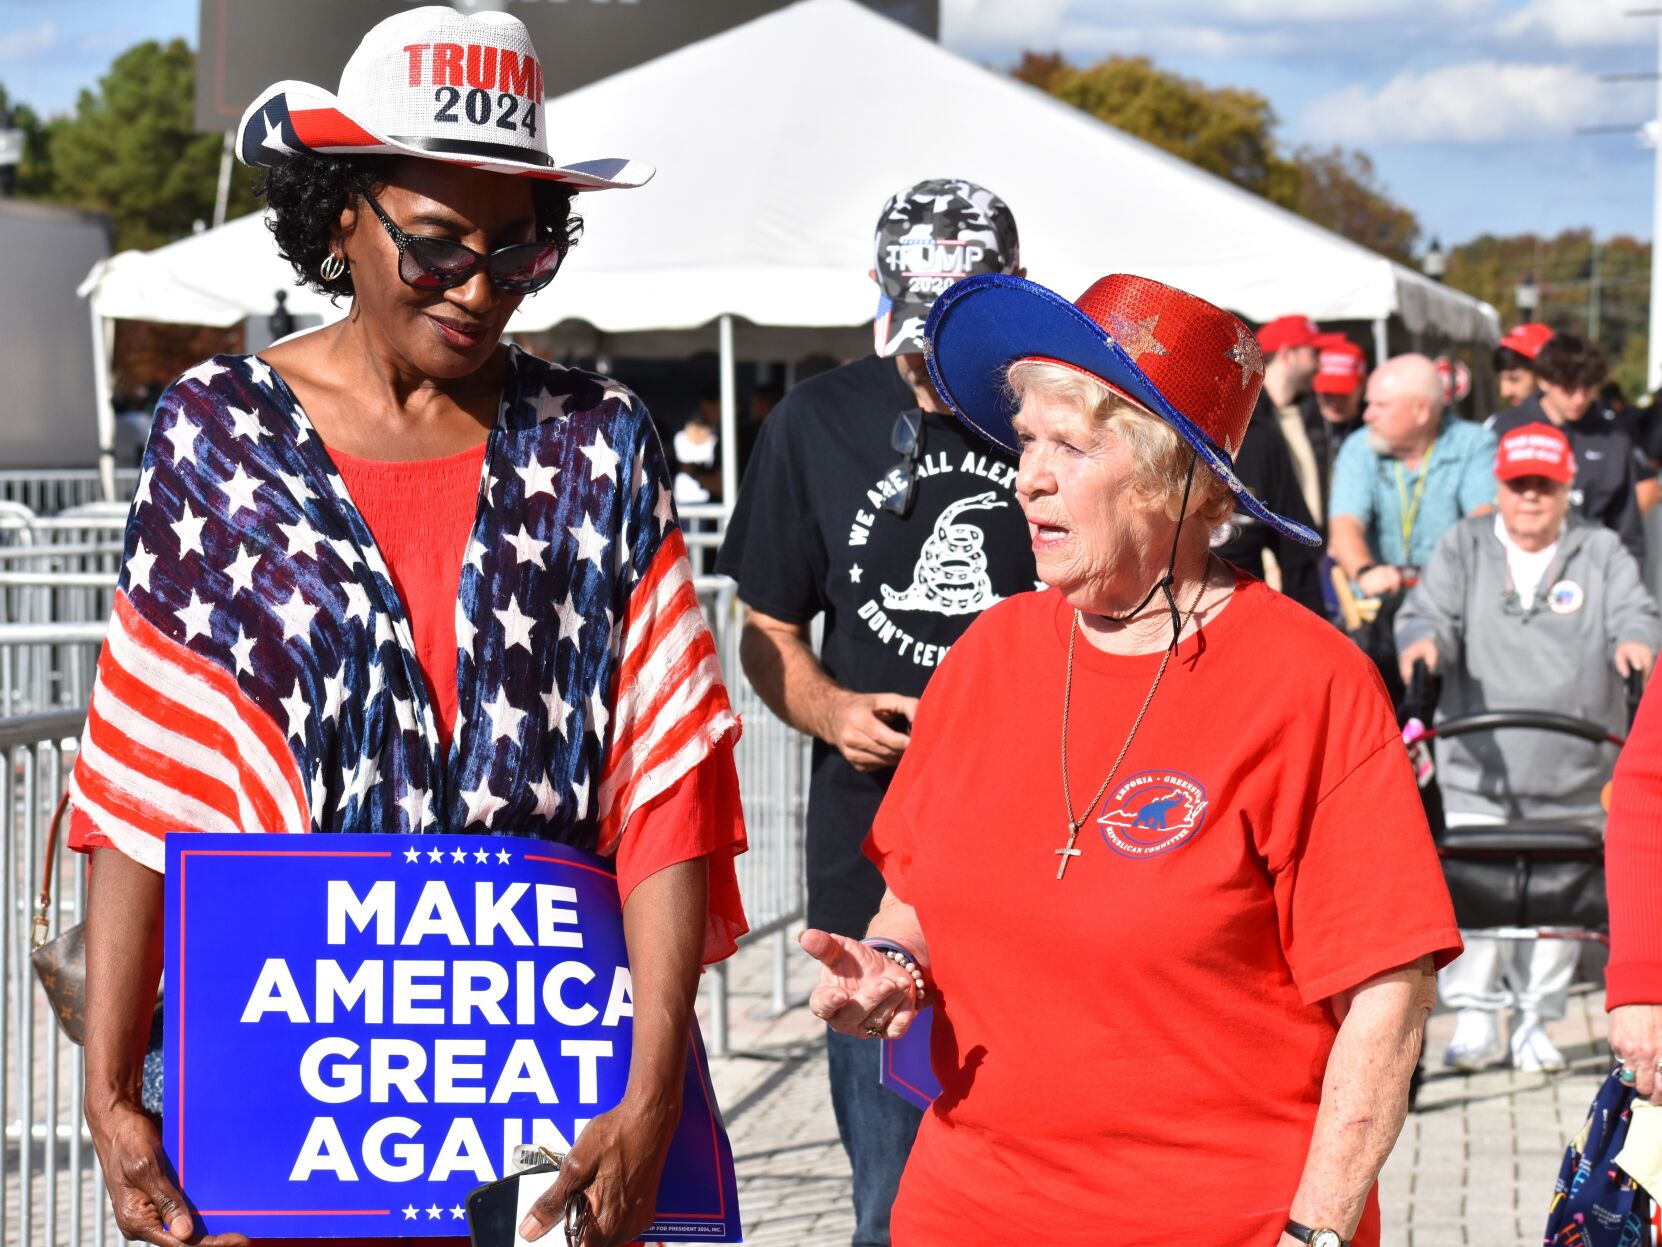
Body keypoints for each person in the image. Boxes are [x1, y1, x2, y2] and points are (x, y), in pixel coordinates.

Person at [70, 10, 748, 1247]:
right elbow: (141, 782)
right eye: (435, 247)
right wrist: (114, 1091)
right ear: (339, 211)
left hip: (550, 1091)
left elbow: (664, 790)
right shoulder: (218, 438)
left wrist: (651, 1091)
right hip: (285, 1080)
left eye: (525, 250)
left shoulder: (596, 440)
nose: (480, 290)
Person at [802, 270, 1461, 1246]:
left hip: (1220, 1218)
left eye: (1069, 444)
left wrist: (1316, 1229)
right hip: (967, 1209)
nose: (1027, 475)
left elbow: (1386, 995)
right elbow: (920, 889)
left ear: (1179, 482)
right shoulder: (990, 655)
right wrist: (893, 961)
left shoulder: (1308, 681)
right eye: (1027, 440)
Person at [715, 179, 1035, 1247]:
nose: (932, 372)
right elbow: (768, 630)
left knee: (1048, 1185)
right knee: (890, 1206)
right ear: (877, 296)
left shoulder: (1063, 416)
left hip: (1049, 846)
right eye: (915, 343)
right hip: (872, 855)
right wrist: (830, 708)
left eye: (959, 344)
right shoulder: (816, 419)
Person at [1395, 423, 1658, 1072]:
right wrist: (1424, 643)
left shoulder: (1599, 550)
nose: (1531, 498)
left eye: (1545, 485)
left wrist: (1633, 643)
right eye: (1519, 485)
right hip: (1479, 770)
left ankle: (1537, 1019)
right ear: (1500, 487)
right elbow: (1427, 614)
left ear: (1568, 487)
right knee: (1478, 910)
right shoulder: (1464, 547)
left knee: (1558, 919)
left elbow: (1636, 612)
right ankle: (1478, 1019)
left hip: (1574, 768)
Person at [1487, 332, 1652, 563]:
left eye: (1588, 388)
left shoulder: (1613, 437)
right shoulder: (1504, 429)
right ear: (1544, 381)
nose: (1579, 399)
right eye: (1569, 388)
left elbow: (1627, 529)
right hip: (1513, 567)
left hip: (1591, 568)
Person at [1215, 314, 1325, 614]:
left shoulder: (1266, 434)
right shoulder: (1148, 434)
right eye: (1313, 352)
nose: (1319, 362)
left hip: (1245, 611)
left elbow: (1297, 553)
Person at [1311, 333, 1367, 504]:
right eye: (1327, 393)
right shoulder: (1304, 422)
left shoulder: (1372, 425)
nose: (1334, 403)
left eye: (1342, 394)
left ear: (1361, 386)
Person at [1491, 323, 1553, 410]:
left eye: (1514, 379)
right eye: (1501, 379)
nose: (1504, 392)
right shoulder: (1500, 422)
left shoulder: (1574, 421)